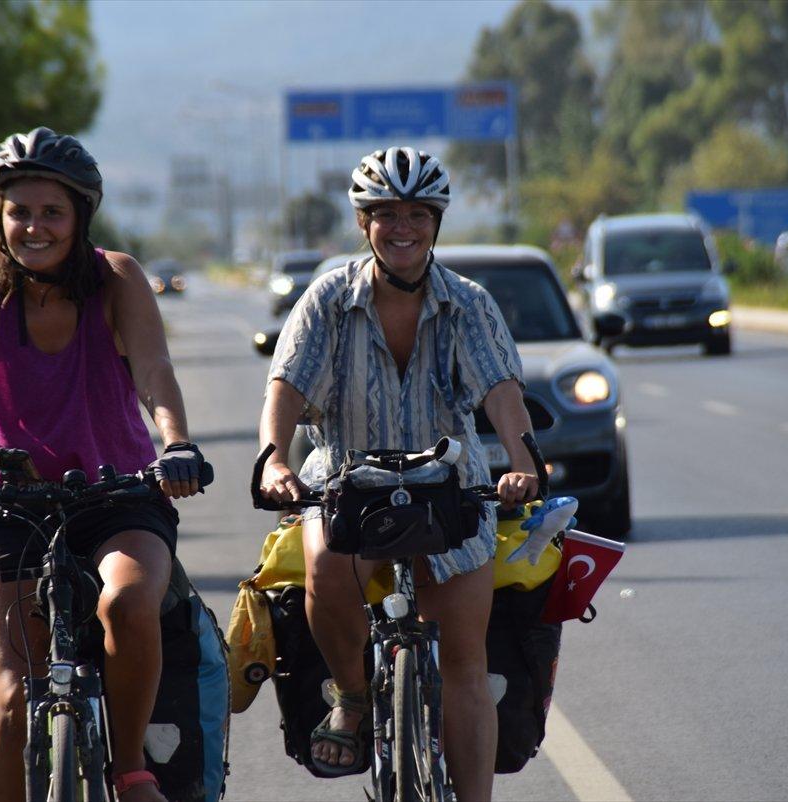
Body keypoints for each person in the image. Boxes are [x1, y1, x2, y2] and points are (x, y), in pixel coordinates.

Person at [0, 127, 210, 802]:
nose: (34, 227)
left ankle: (130, 769)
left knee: (128, 602)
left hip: (118, 497)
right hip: (5, 508)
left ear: (80, 217)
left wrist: (177, 443)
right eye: (19, 211)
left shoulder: (116, 277)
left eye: (52, 213)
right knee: (14, 697)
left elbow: (153, 369)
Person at [257, 146, 539, 802]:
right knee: (325, 562)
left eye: (418, 214)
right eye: (386, 213)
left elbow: (502, 392)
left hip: (450, 486)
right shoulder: (328, 298)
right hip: (348, 480)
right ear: (364, 223)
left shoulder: (468, 303)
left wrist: (523, 461)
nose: (402, 227)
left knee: (466, 668)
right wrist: (273, 458)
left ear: (437, 222)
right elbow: (286, 389)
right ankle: (353, 697)